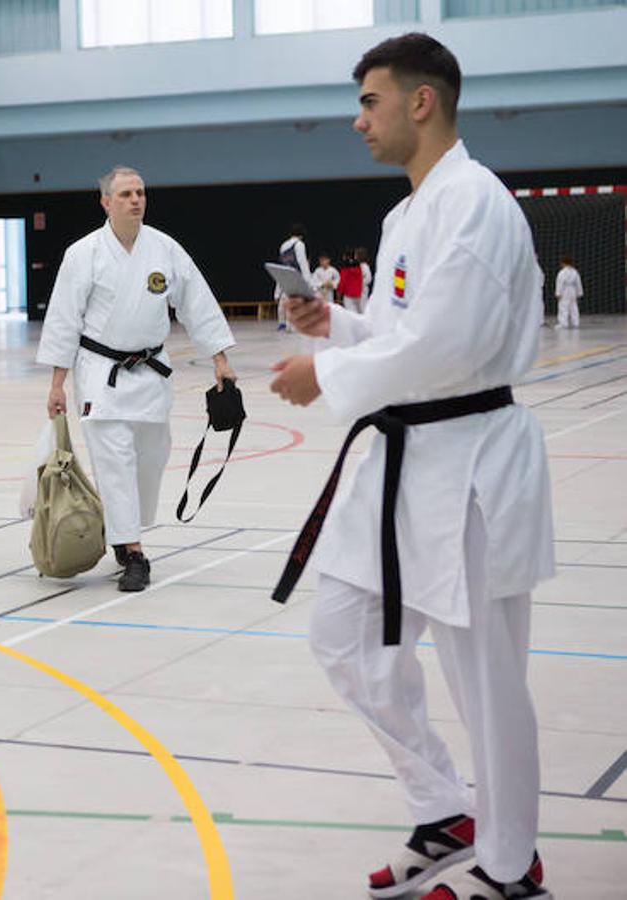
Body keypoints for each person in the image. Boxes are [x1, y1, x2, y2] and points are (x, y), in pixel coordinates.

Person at [268, 33, 554, 900]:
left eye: (370, 101)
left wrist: (329, 374)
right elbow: (405, 335)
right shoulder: (408, 214)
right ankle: (444, 808)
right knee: (343, 638)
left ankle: (511, 869)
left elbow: (450, 346)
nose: (359, 120)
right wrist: (338, 330)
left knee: (487, 686)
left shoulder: (474, 202)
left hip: (470, 468)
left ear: (420, 101)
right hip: (405, 463)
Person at [37, 164, 237, 592]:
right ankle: (133, 553)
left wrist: (219, 358)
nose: (136, 200)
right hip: (100, 375)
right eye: (126, 194)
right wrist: (57, 383)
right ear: (106, 201)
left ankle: (122, 529)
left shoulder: (164, 249)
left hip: (150, 373)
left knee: (151, 459)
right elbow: (63, 320)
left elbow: (197, 303)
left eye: (140, 193)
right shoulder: (83, 253)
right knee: (115, 463)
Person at [277, 223, 310, 331]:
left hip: (285, 276)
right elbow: (302, 263)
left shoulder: (283, 245)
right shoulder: (299, 244)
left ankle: (288, 324)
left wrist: (278, 286)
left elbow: (281, 265)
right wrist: (308, 281)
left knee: (288, 300)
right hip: (295, 276)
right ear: (301, 235)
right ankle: (293, 325)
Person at [340, 247, 373, 314]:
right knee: (354, 308)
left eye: (356, 254)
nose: (354, 256)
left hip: (362, 290)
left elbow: (368, 278)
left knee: (362, 308)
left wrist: (359, 283)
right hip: (355, 291)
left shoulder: (365, 266)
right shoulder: (355, 266)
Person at [554, 255, 582, 329]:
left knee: (563, 307)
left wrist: (558, 293)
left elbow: (560, 283)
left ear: (563, 263)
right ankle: (576, 322)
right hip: (573, 290)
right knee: (574, 307)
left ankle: (563, 323)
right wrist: (579, 292)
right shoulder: (575, 272)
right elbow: (578, 283)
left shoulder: (562, 273)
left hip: (565, 291)